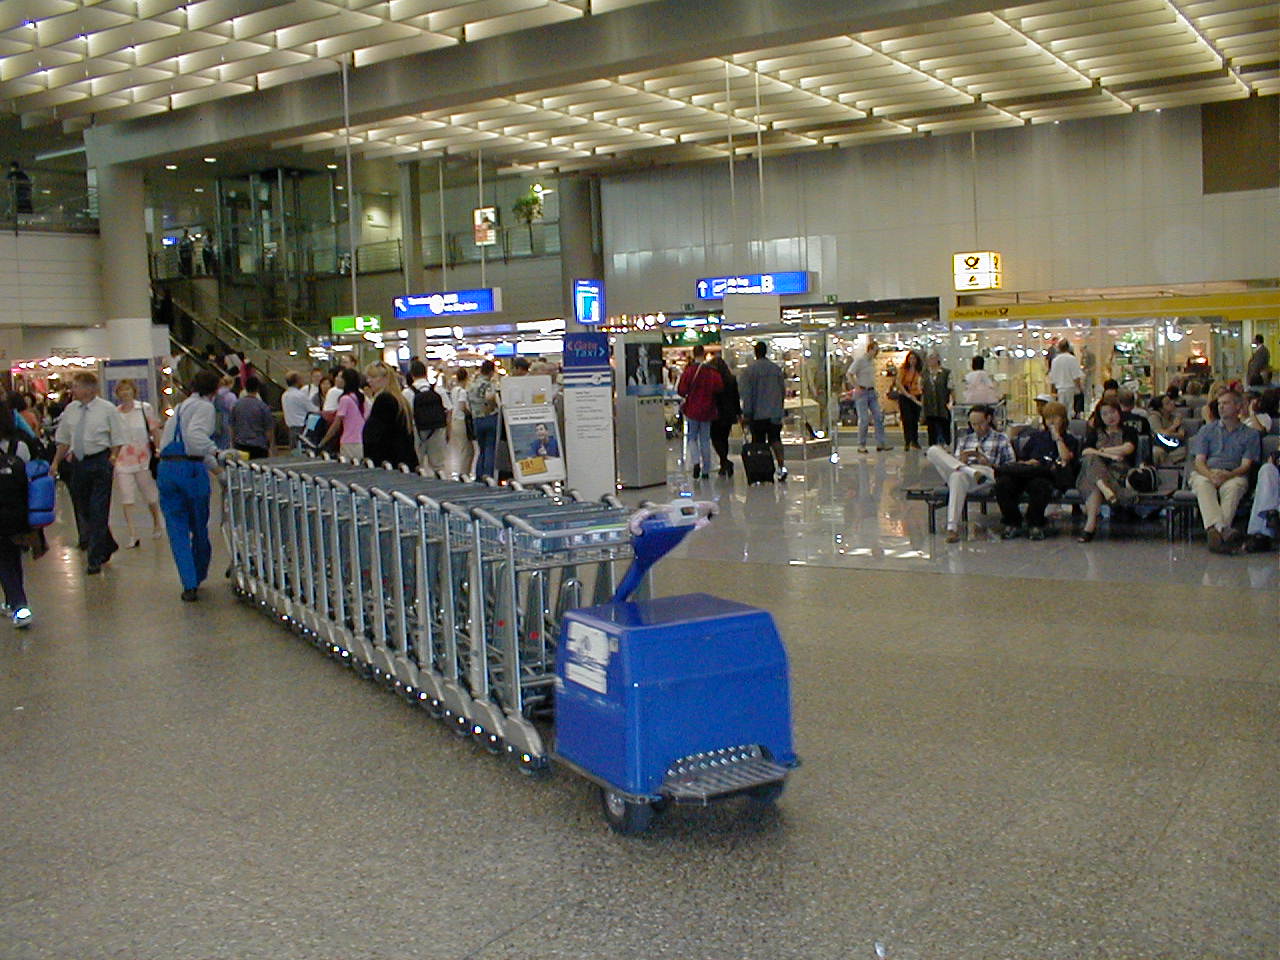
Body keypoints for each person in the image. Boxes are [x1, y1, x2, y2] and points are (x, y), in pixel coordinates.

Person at [49, 372, 126, 575]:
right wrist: (55, 462)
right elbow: (64, 439)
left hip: (100, 461)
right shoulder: (71, 410)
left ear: (90, 388)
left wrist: (113, 458)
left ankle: (94, 558)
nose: (72, 390)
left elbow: (118, 437)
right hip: (79, 464)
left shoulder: (107, 410)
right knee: (84, 509)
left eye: (76, 386)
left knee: (99, 508)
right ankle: (107, 543)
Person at [156, 370, 222, 602]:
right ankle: (200, 571)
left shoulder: (180, 408)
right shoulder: (205, 407)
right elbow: (196, 440)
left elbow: (176, 439)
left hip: (166, 468)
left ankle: (189, 583)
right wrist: (217, 455)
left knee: (177, 529)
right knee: (199, 526)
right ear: (214, 390)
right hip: (190, 471)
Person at [926, 405, 1013, 543]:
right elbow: (952, 464)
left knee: (956, 476)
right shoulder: (965, 439)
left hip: (987, 474)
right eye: (973, 424)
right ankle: (971, 471)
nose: (976, 427)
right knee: (933, 451)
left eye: (980, 424)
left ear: (989, 419)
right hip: (966, 473)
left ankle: (952, 528)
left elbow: (1010, 465)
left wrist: (989, 463)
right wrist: (962, 462)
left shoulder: (1001, 438)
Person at [1189, 389, 1261, 554]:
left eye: (1226, 403)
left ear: (1238, 407)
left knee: (1234, 487)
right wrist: (1211, 475)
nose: (1221, 407)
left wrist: (1227, 475)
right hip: (1207, 472)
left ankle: (1215, 532)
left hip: (1234, 473)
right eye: (1219, 404)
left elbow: (1245, 466)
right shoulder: (1206, 430)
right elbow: (1199, 462)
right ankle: (1223, 529)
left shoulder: (1250, 435)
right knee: (1202, 484)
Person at [996, 401, 1078, 541]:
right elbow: (1022, 459)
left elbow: (1065, 458)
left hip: (1050, 475)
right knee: (1003, 483)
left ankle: (1035, 523)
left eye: (1055, 417)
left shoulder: (1069, 440)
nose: (1051, 421)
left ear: (1063, 419)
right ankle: (1012, 521)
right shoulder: (1037, 437)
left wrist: (1057, 437)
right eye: (1048, 417)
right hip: (1029, 472)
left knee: (1040, 485)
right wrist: (1030, 462)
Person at [1076, 399, 1139, 543]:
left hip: (1118, 472)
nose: (1110, 417)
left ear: (1119, 412)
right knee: (1091, 460)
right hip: (1098, 469)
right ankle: (1105, 490)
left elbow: (1127, 448)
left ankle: (1089, 527)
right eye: (1105, 414)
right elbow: (1085, 451)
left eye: (1113, 412)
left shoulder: (1128, 430)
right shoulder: (1095, 433)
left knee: (1091, 470)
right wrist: (1109, 455)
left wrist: (1101, 450)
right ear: (1100, 417)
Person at [112, 380, 163, 548]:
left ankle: (156, 523)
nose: (125, 393)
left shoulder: (144, 408)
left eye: (127, 389)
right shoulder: (115, 413)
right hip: (122, 459)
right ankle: (133, 534)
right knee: (127, 498)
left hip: (143, 458)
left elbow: (154, 429)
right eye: (122, 390)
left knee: (150, 495)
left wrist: (158, 449)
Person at [0, 396, 35, 628]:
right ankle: (14, 601)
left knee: (3, 559)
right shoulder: (19, 446)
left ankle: (19, 604)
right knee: (12, 557)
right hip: (18, 512)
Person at [737, 341, 786, 480]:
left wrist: (746, 413)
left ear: (755, 353)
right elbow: (782, 391)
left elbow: (747, 394)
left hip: (757, 414)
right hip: (774, 413)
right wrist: (779, 408)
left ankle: (762, 468)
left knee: (758, 443)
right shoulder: (776, 369)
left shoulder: (749, 371)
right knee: (775, 439)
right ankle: (781, 467)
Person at [676, 344, 723, 480]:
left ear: (693, 353)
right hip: (708, 409)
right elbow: (719, 387)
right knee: (705, 439)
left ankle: (696, 461)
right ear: (703, 354)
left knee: (692, 437)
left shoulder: (689, 371)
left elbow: (681, 390)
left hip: (692, 409)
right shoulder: (711, 372)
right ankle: (706, 469)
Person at [362, 361, 418, 469]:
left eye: (373, 377)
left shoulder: (384, 400)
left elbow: (376, 433)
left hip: (388, 461)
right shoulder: (400, 399)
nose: (369, 381)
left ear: (384, 378)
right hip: (403, 458)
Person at [402, 360, 450, 473]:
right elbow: (448, 411)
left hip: (416, 431)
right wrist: (448, 431)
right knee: (438, 465)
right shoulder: (438, 390)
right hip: (437, 430)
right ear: (426, 373)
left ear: (412, 375)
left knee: (417, 465)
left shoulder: (406, 393)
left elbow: (405, 415)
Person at [846, 340, 888, 453]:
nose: (876, 353)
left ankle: (881, 443)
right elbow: (849, 373)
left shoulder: (872, 362)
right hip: (862, 392)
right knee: (864, 419)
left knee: (878, 417)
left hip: (871, 391)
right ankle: (861, 444)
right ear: (870, 350)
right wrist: (856, 387)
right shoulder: (860, 361)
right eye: (875, 350)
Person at [320, 367, 367, 462]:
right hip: (360, 440)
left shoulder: (345, 399)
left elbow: (336, 424)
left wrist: (323, 441)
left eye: (340, 377)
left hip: (348, 441)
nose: (336, 379)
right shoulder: (360, 397)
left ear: (346, 381)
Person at [706, 353, 741, 477]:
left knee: (715, 438)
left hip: (716, 412)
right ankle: (724, 462)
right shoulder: (731, 379)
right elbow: (736, 397)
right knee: (724, 438)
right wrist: (738, 413)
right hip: (728, 413)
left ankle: (724, 462)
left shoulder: (713, 380)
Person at [467, 360, 502, 479]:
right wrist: (492, 407)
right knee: (490, 449)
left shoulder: (471, 385)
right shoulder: (489, 385)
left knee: (481, 450)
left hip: (476, 419)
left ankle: (478, 475)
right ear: (491, 371)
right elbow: (490, 398)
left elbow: (467, 405)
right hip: (489, 418)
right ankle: (488, 476)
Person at [229, 376, 276, 460]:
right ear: (258, 389)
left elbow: (232, 426)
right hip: (259, 445)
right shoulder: (262, 406)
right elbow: (269, 430)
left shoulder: (236, 405)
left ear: (245, 388)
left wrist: (232, 443)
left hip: (240, 444)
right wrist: (270, 447)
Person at [893, 349, 924, 450]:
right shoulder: (903, 369)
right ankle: (907, 441)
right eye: (910, 358)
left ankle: (915, 441)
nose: (912, 360)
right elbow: (899, 383)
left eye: (914, 358)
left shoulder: (920, 371)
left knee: (915, 419)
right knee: (907, 419)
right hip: (905, 396)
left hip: (916, 395)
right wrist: (907, 394)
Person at [920, 351, 952, 448]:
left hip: (942, 403)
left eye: (933, 358)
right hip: (929, 404)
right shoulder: (924, 373)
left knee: (944, 424)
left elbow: (951, 388)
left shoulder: (946, 373)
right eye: (929, 358)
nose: (931, 360)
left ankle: (947, 445)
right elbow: (922, 389)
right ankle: (932, 447)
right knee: (931, 426)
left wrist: (951, 402)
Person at [1149, 392, 1187, 466]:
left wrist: (1169, 434)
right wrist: (1174, 426)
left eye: (1171, 401)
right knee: (1157, 452)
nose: (1172, 403)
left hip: (1174, 448)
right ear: (1161, 408)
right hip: (1158, 446)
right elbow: (1160, 435)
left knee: (1186, 451)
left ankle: (1166, 463)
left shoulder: (1176, 417)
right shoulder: (1154, 417)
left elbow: (1182, 435)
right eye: (1167, 403)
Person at [1048, 340, 1084, 416]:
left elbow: (1052, 378)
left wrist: (1052, 391)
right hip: (1070, 389)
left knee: (1060, 411)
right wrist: (1080, 389)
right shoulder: (1072, 359)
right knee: (1070, 410)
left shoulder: (1055, 360)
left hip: (1060, 389)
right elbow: (1076, 377)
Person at [447, 368, 473, 477]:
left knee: (463, 448)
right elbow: (462, 407)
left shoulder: (454, 390)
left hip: (454, 420)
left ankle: (464, 472)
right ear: (466, 378)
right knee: (466, 450)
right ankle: (464, 473)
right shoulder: (462, 391)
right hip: (461, 421)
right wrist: (471, 413)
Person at [281, 371, 315, 449]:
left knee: (294, 451)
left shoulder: (284, 395)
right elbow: (312, 409)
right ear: (297, 381)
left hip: (291, 428)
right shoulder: (300, 395)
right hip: (302, 427)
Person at [211, 376, 237, 450]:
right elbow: (233, 411)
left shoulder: (214, 395)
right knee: (225, 445)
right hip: (226, 423)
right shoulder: (231, 396)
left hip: (215, 421)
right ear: (231, 384)